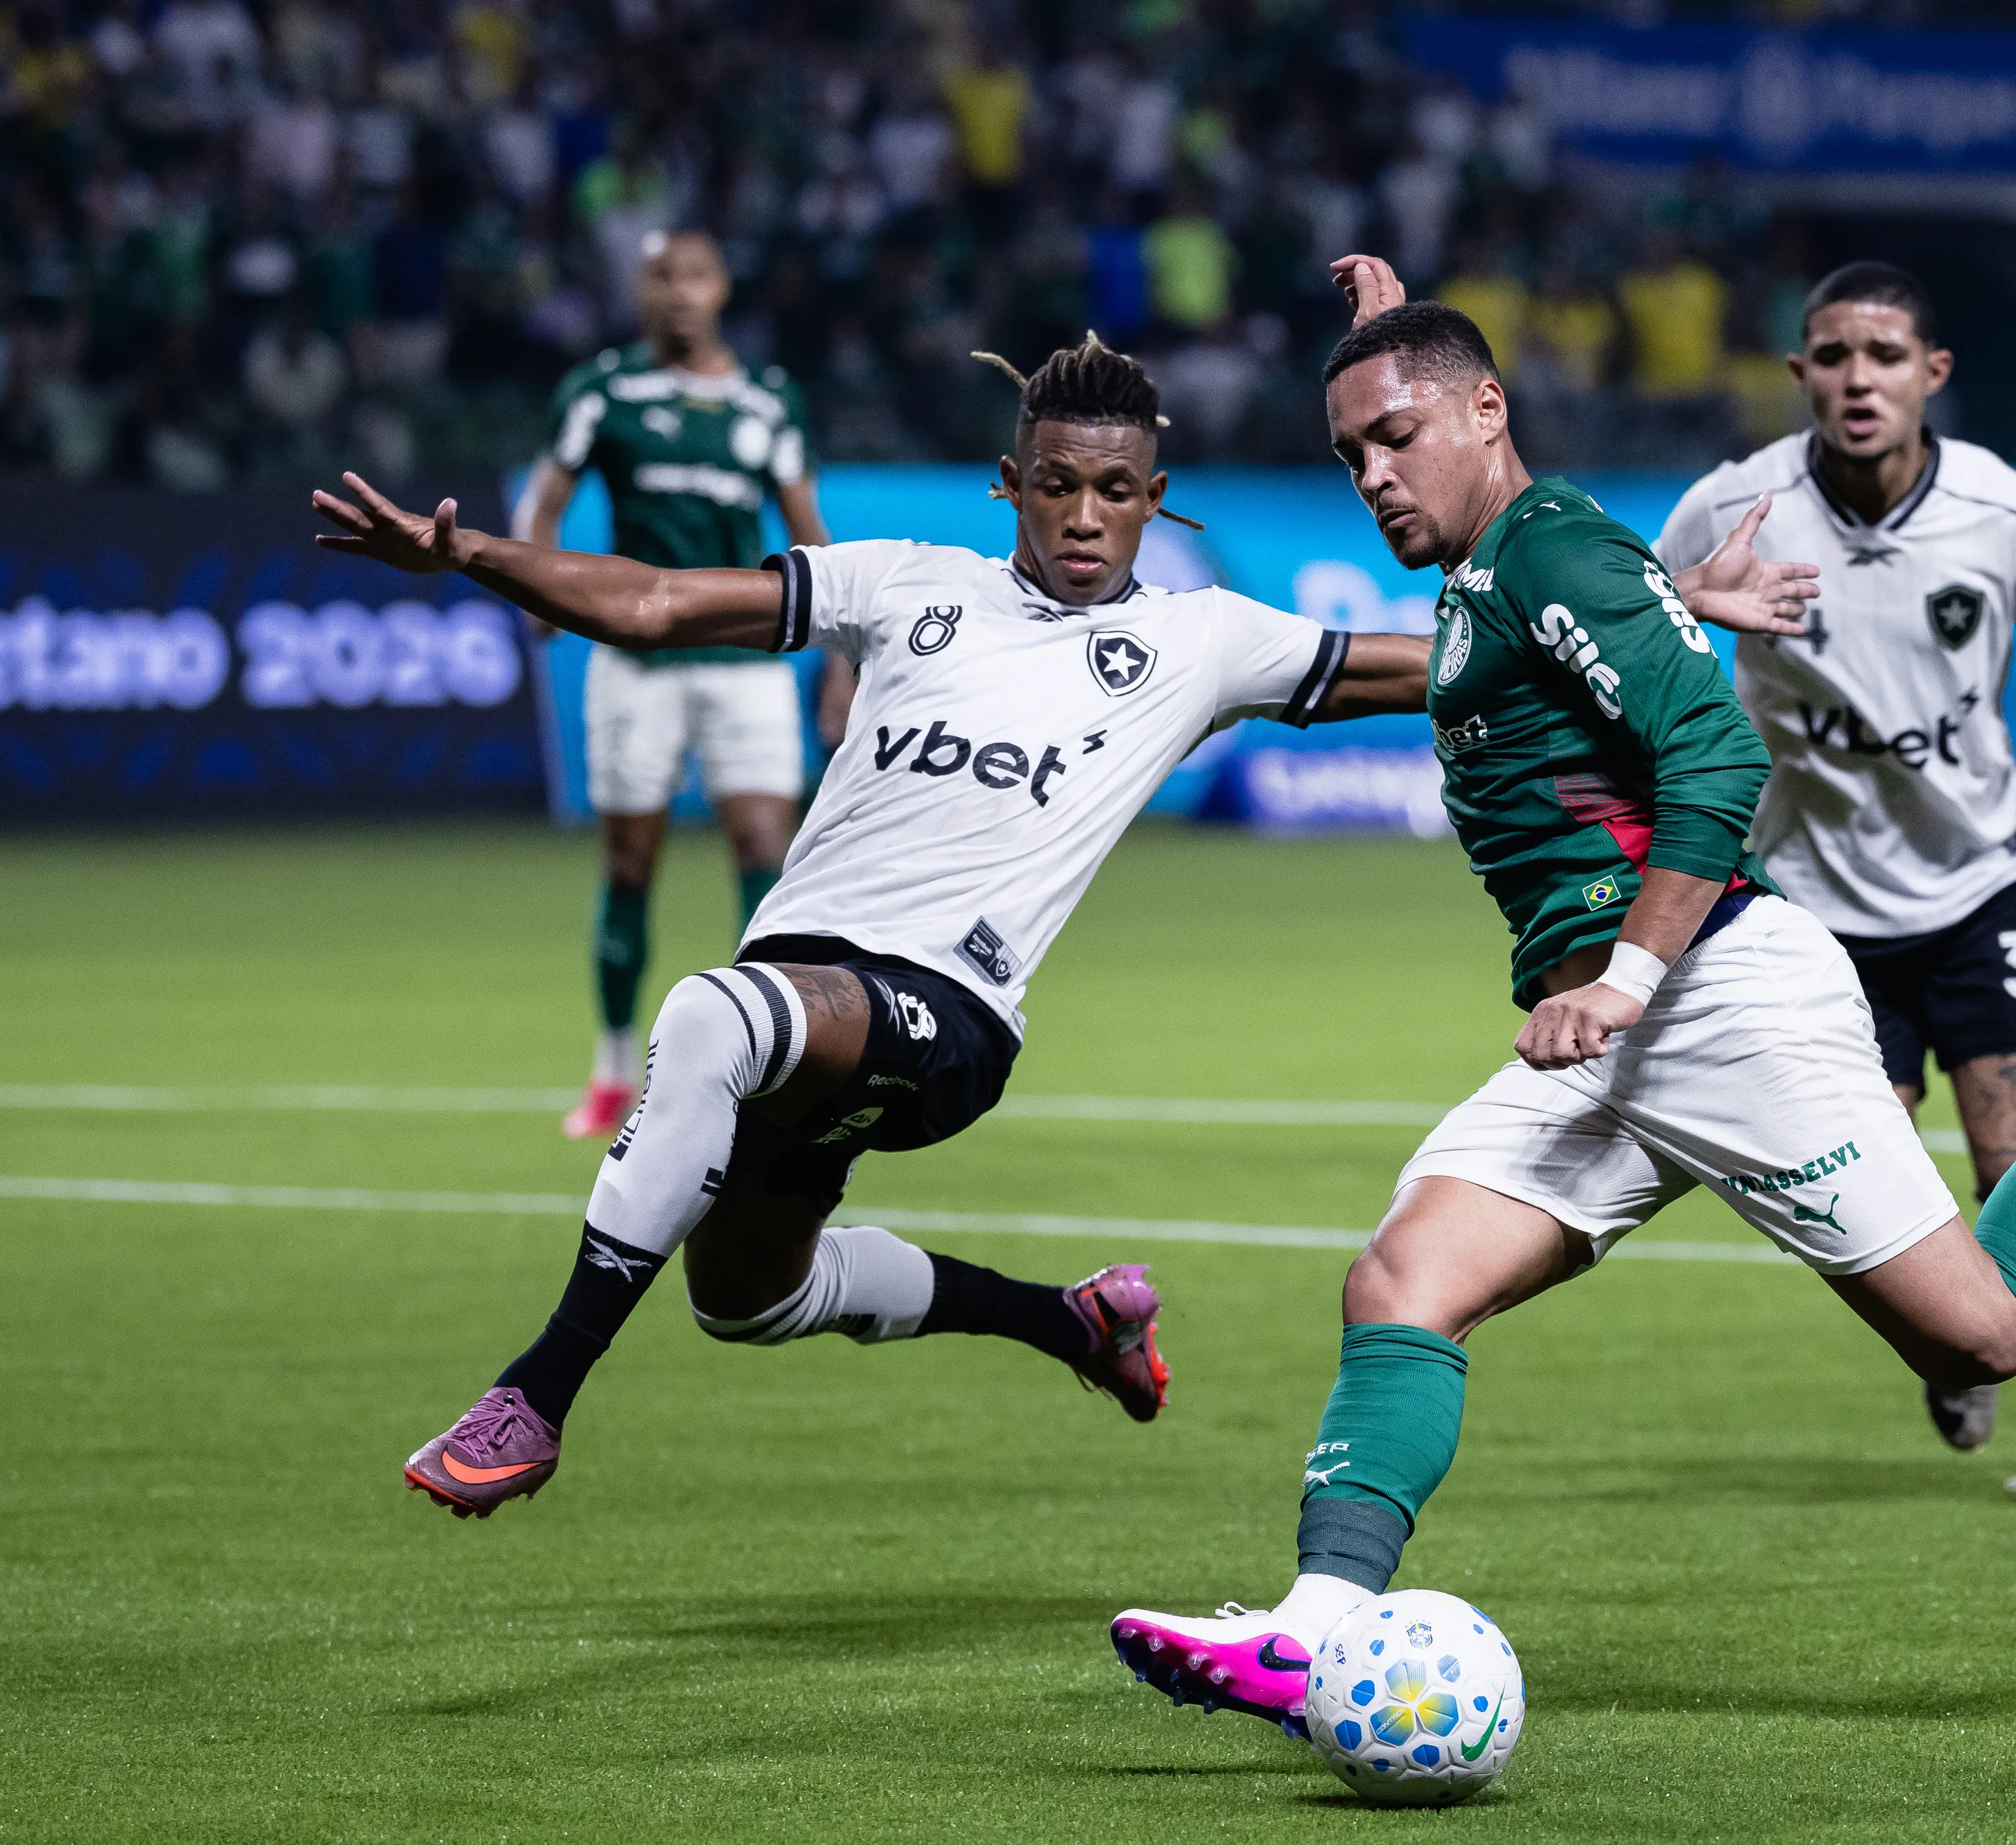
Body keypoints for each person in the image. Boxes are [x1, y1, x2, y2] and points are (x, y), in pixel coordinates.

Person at [1104, 262, 2016, 1731]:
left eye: (1395, 435)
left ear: (1485, 412)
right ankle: (1315, 1625)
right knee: (1401, 1278)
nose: (1372, 474)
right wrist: (1410, 340)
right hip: (1613, 1032)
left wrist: (1625, 979)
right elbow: (1584, 626)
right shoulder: (1505, 571)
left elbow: (1718, 764)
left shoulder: (1545, 546)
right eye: (1348, 455)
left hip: (1704, 1000)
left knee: (1986, 1337)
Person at [311, 335, 1445, 1520]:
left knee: (709, 1016)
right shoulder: (907, 584)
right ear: (1010, 483)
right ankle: (1073, 1318)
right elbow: (653, 606)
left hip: (949, 1016)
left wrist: (1623, 624)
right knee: (745, 1299)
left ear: (1155, 501)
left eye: (1116, 492)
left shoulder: (1202, 643)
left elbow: (1437, 667)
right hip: (806, 1009)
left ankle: (533, 1397)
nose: (1084, 516)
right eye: (1057, 483)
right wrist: (469, 553)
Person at [1654, 259, 2016, 1512]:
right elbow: (1626, 650)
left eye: (1884, 356)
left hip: (1985, 886)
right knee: (1872, 1206)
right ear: (1799, 375)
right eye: (1832, 356)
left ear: (1932, 373)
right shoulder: (1734, 507)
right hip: (1816, 919)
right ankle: (1956, 1346)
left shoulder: (2004, 517)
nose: (1857, 380)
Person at [510, 229, 850, 1142]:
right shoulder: (602, 390)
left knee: (761, 849)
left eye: (696, 276)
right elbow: (542, 497)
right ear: (642, 291)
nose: (680, 295)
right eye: (663, 278)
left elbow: (808, 532)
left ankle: (766, 1060)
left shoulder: (767, 400)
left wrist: (842, 657)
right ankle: (616, 1067)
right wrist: (532, 581)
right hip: (637, 664)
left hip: (745, 659)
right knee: (629, 860)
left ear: (723, 286)